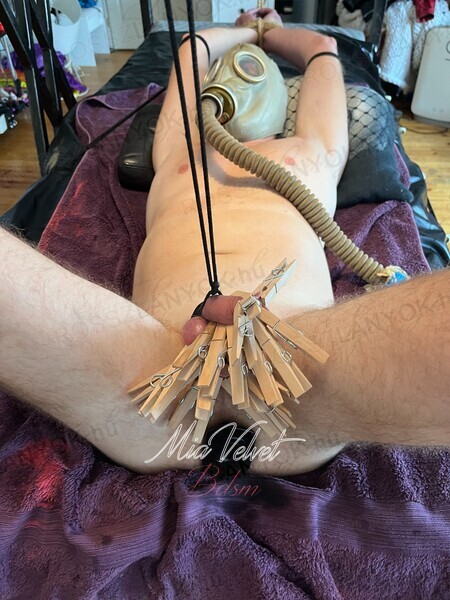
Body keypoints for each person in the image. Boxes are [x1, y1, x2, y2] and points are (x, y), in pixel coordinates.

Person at [0, 10, 448, 476]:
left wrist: (271, 33)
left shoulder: (310, 149)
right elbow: (191, 50)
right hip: (151, 382)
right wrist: (244, 31)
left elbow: (322, 50)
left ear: (284, 99)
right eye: (234, 71)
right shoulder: (181, 147)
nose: (243, 78)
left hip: (297, 380)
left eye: (256, 73)